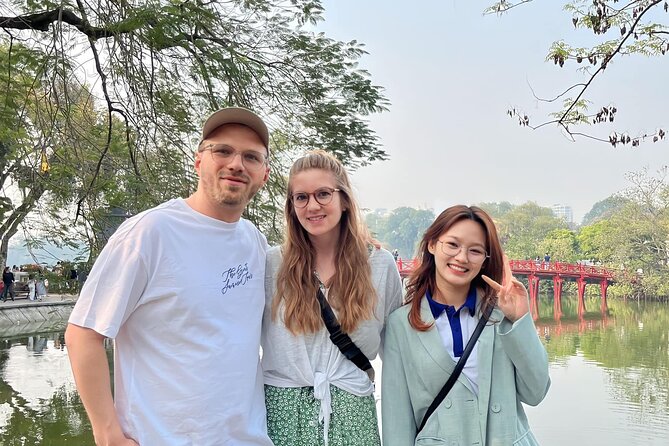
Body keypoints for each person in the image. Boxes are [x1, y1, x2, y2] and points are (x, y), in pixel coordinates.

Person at [65, 107, 274, 446]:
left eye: (251, 157)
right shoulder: (149, 233)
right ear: (198, 161)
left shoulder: (256, 242)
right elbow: (83, 334)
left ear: (263, 174)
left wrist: (353, 240)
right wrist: (107, 434)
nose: (237, 164)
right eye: (223, 151)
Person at [261, 150, 403, 446]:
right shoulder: (271, 264)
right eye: (301, 197)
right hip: (281, 415)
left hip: (354, 414)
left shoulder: (379, 264)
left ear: (344, 200)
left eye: (323, 194)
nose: (312, 206)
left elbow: (397, 354)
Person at [382, 205, 550, 446]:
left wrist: (520, 321)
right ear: (432, 244)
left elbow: (536, 393)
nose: (462, 257)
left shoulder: (502, 313)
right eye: (452, 245)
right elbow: (396, 419)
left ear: (484, 260)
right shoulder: (402, 323)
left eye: (475, 250)